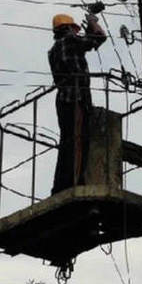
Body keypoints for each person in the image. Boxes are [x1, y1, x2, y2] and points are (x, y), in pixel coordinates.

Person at [48, 12, 107, 195]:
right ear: (68, 28)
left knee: (67, 142)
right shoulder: (70, 41)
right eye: (75, 28)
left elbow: (86, 42)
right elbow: (99, 38)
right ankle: (75, 182)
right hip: (75, 98)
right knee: (78, 142)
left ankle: (60, 185)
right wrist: (92, 21)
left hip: (63, 99)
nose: (76, 31)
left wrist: (88, 28)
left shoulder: (55, 49)